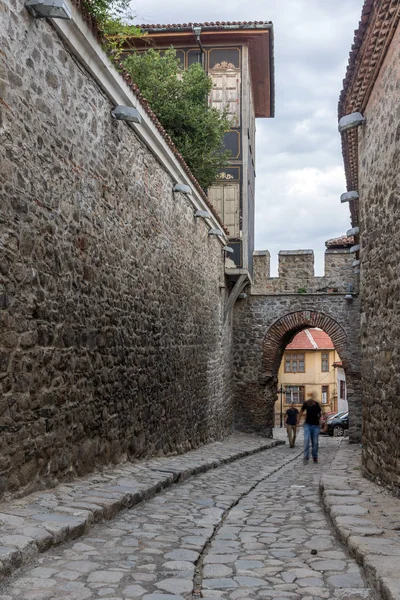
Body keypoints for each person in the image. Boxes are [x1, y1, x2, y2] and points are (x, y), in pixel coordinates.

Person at [298, 394, 322, 463]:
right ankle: (306, 457)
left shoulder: (317, 404)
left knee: (315, 442)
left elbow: (320, 414)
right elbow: (301, 411)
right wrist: (298, 420)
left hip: (316, 426)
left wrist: (322, 422)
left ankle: (315, 456)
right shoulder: (306, 403)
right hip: (307, 425)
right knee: (306, 440)